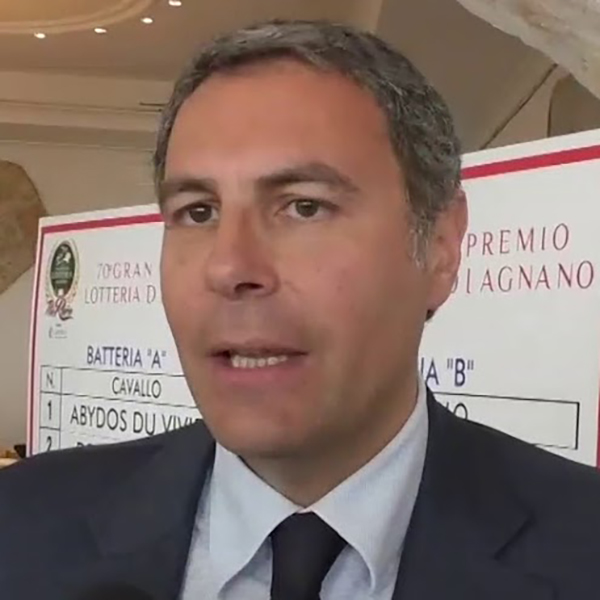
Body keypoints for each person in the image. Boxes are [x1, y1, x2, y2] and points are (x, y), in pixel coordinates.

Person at [1, 19, 600, 600]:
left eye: (304, 207)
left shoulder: (582, 545)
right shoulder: (22, 522)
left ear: (440, 245)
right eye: (198, 211)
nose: (229, 268)